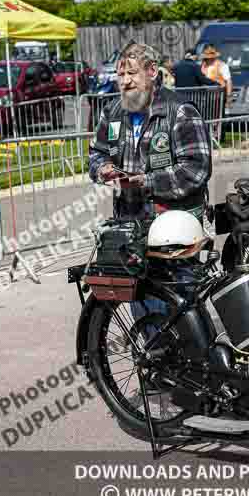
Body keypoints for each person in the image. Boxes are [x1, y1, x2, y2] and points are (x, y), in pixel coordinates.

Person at [89, 40, 212, 321]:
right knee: (143, 310)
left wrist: (146, 181)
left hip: (175, 232)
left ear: (152, 71)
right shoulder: (112, 113)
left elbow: (196, 169)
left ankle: (189, 359)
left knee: (181, 311)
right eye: (120, 75)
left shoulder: (179, 111)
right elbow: (96, 154)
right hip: (131, 228)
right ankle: (155, 359)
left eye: (132, 73)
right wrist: (104, 168)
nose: (125, 81)